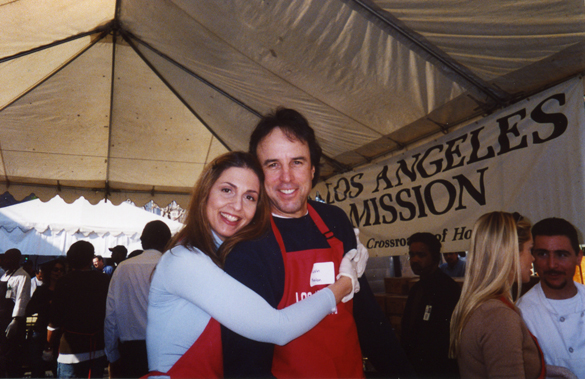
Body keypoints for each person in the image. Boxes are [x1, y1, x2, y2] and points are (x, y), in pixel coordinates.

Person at [221, 107, 413, 378]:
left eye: (297, 162)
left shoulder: (334, 220)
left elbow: (366, 313)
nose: (286, 177)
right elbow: (246, 363)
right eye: (273, 164)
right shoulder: (248, 244)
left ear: (312, 170)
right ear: (258, 173)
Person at [146, 151, 361, 378]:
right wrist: (345, 284)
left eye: (249, 197)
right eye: (227, 190)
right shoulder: (184, 261)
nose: (237, 206)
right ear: (205, 193)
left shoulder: (221, 259)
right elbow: (279, 328)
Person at [449, 212, 545, 378]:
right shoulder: (498, 316)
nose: (533, 258)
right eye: (530, 249)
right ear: (510, 252)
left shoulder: (484, 307)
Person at [517, 218, 584, 378]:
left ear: (578, 257)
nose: (552, 264)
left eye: (561, 254)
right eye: (543, 254)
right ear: (532, 257)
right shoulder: (520, 312)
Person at [105, 220, 172, 378]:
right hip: (167, 349)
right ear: (169, 242)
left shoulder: (123, 268)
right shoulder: (172, 266)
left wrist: (112, 354)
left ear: (142, 242)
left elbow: (111, 315)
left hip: (131, 352)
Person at [47, 241, 110, 378]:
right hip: (97, 348)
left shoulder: (64, 281)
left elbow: (55, 320)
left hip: (70, 351)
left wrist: (49, 345)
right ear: (89, 259)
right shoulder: (104, 280)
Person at [401, 232, 460, 378]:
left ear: (434, 257)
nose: (414, 259)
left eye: (421, 255)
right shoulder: (416, 289)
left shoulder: (448, 289)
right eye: (412, 255)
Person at [26, 259, 66, 378]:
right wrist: (48, 304)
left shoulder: (65, 291)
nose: (58, 272)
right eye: (56, 269)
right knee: (38, 368)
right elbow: (29, 310)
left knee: (58, 369)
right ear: (50, 272)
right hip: (41, 332)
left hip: (60, 334)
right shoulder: (42, 290)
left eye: (61, 270)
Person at [0, 248, 31, 377]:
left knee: (12, 353)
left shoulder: (23, 276)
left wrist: (16, 320)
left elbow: (21, 299)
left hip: (12, 319)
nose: (4, 261)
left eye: (7, 258)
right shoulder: (5, 275)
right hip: (2, 318)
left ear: (15, 260)